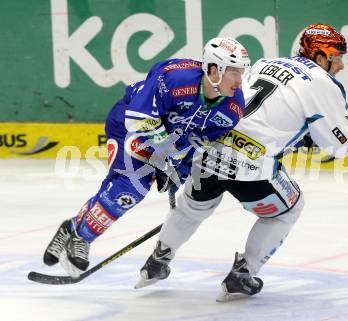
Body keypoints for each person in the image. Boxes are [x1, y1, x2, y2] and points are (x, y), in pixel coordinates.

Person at [135, 23, 348, 301]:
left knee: (193, 206)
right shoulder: (325, 84)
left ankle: (157, 261)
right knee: (289, 208)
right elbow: (340, 146)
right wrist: (311, 138)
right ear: (321, 57)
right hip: (253, 165)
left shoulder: (267, 63)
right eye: (336, 59)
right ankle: (244, 272)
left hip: (212, 146)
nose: (340, 67)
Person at [42, 37, 251, 277]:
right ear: (214, 70)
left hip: (163, 142)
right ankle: (81, 236)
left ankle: (71, 227)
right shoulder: (175, 77)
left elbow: (198, 143)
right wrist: (165, 155)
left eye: (241, 72)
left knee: (124, 190)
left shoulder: (233, 108)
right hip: (128, 126)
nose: (239, 81)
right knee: (130, 187)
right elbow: (138, 119)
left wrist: (179, 170)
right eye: (234, 73)